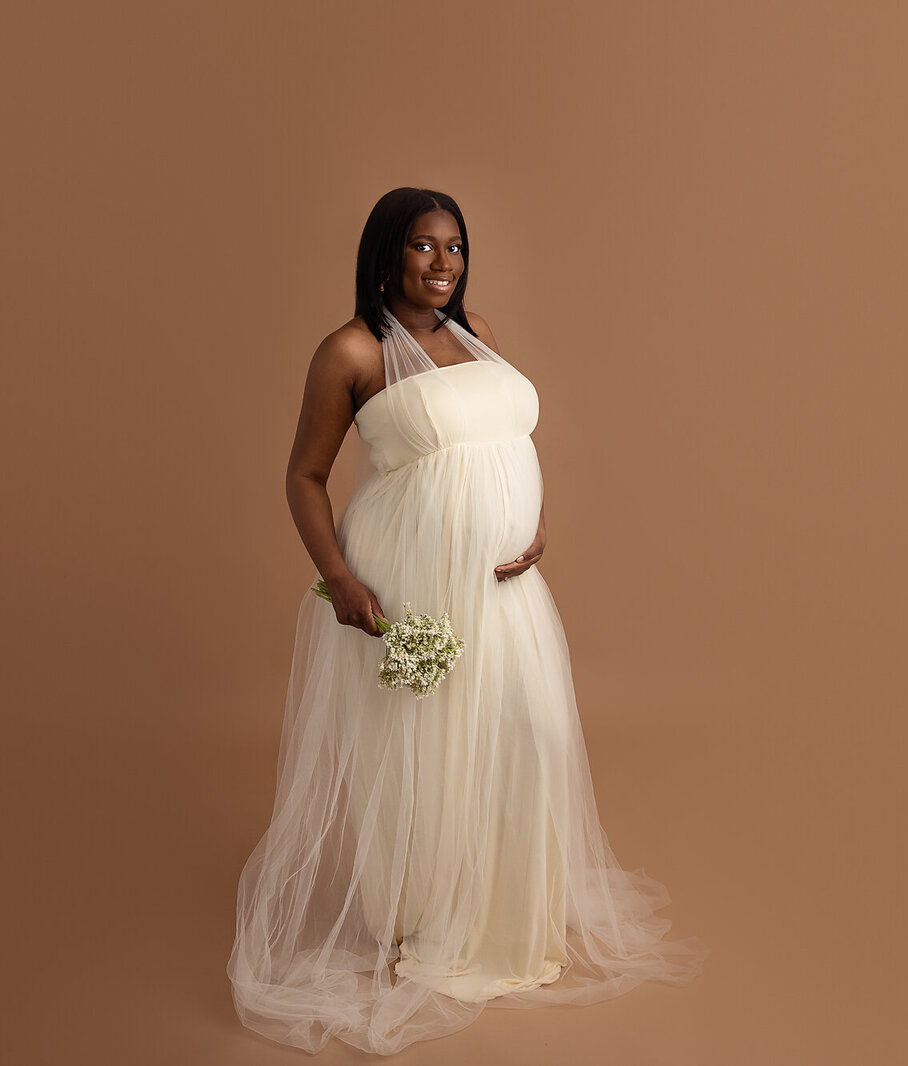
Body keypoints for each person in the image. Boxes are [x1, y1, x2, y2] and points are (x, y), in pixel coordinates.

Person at [228, 187, 707, 1055]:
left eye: (454, 246)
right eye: (423, 246)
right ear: (386, 254)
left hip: (503, 582)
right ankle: (431, 912)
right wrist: (336, 577)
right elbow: (304, 475)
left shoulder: (476, 327)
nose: (443, 263)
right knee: (427, 743)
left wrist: (538, 518)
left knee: (532, 730)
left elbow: (503, 439)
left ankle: (509, 913)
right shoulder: (351, 350)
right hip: (411, 580)